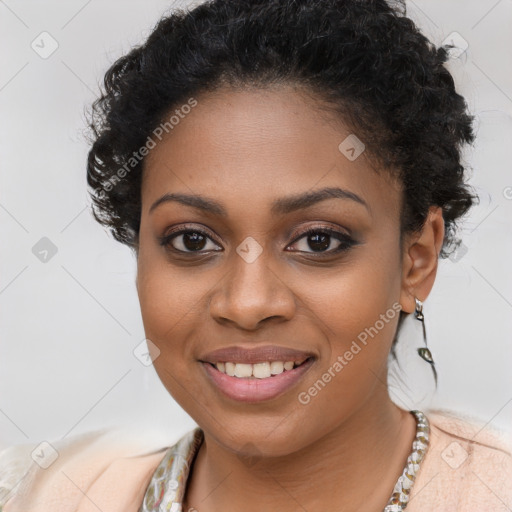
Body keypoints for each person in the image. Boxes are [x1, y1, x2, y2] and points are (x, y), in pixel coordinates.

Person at [1, 0, 511, 510]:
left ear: (415, 260)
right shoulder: (46, 495)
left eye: (318, 240)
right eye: (192, 240)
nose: (247, 304)